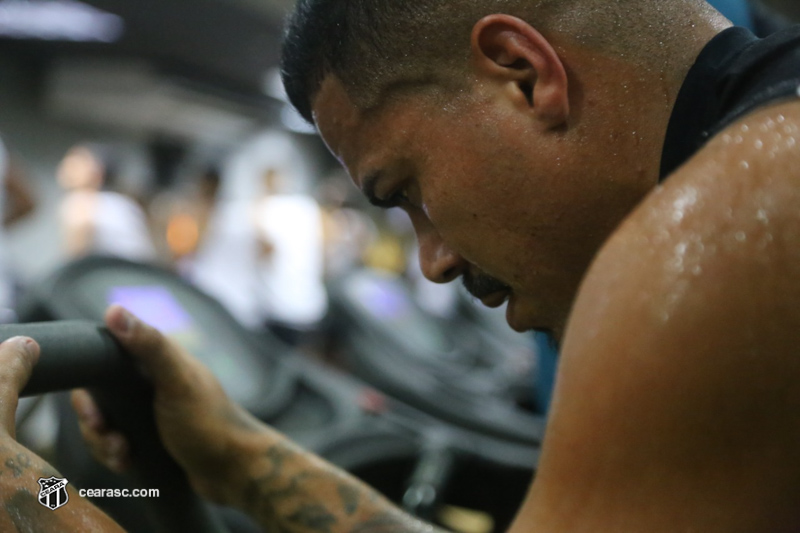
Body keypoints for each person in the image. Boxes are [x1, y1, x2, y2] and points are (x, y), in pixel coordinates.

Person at [0, 0, 799, 530]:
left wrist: (41, 502)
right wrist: (241, 457)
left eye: (407, 189)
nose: (434, 261)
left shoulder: (720, 239)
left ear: (523, 74)